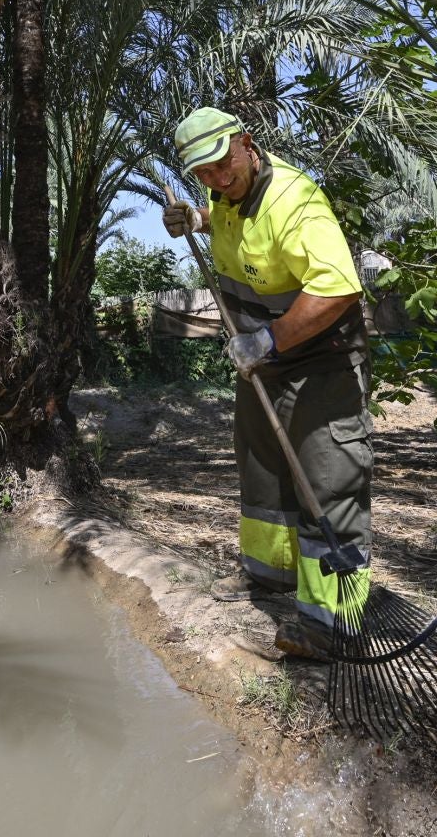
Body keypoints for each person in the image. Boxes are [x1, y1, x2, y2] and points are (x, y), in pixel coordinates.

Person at [164, 106, 373, 660]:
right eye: (202, 174)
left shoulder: (297, 203)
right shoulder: (224, 193)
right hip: (264, 362)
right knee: (263, 473)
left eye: (221, 165)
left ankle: (333, 622)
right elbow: (232, 224)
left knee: (326, 482)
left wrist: (269, 340)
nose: (215, 179)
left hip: (321, 360)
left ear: (247, 144)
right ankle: (272, 580)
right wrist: (196, 220)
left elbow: (336, 289)